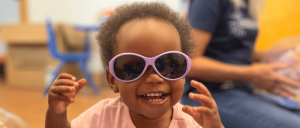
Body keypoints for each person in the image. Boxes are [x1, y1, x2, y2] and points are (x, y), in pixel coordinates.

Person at [45, 2, 224, 128]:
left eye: (170, 65)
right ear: (112, 79)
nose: (154, 78)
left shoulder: (190, 122)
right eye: (133, 67)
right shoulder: (103, 116)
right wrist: (57, 113)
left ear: (183, 73)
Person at [181, 0, 300, 128]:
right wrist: (253, 74)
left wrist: (277, 54)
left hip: (243, 91)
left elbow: (235, 50)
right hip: (211, 95)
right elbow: (191, 63)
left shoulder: (247, 3)